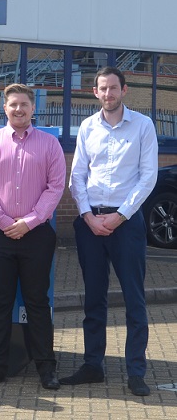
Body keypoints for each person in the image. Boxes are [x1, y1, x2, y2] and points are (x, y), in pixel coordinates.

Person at [64, 66, 158, 397]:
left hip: (126, 223)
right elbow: (77, 176)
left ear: (124, 90)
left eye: (113, 88)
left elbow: (148, 177)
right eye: (102, 88)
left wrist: (119, 216)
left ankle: (136, 371)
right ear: (95, 92)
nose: (108, 93)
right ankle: (93, 366)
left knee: (134, 298)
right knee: (94, 298)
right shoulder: (88, 127)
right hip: (90, 223)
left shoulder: (143, 126)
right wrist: (88, 217)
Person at [0, 84, 66, 390]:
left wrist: (28, 222)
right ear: (5, 107)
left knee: (37, 302)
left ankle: (46, 368)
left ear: (33, 108)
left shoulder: (50, 144)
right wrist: (3, 222)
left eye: (24, 104)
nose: (19, 109)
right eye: (13, 104)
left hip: (36, 235)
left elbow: (56, 187)